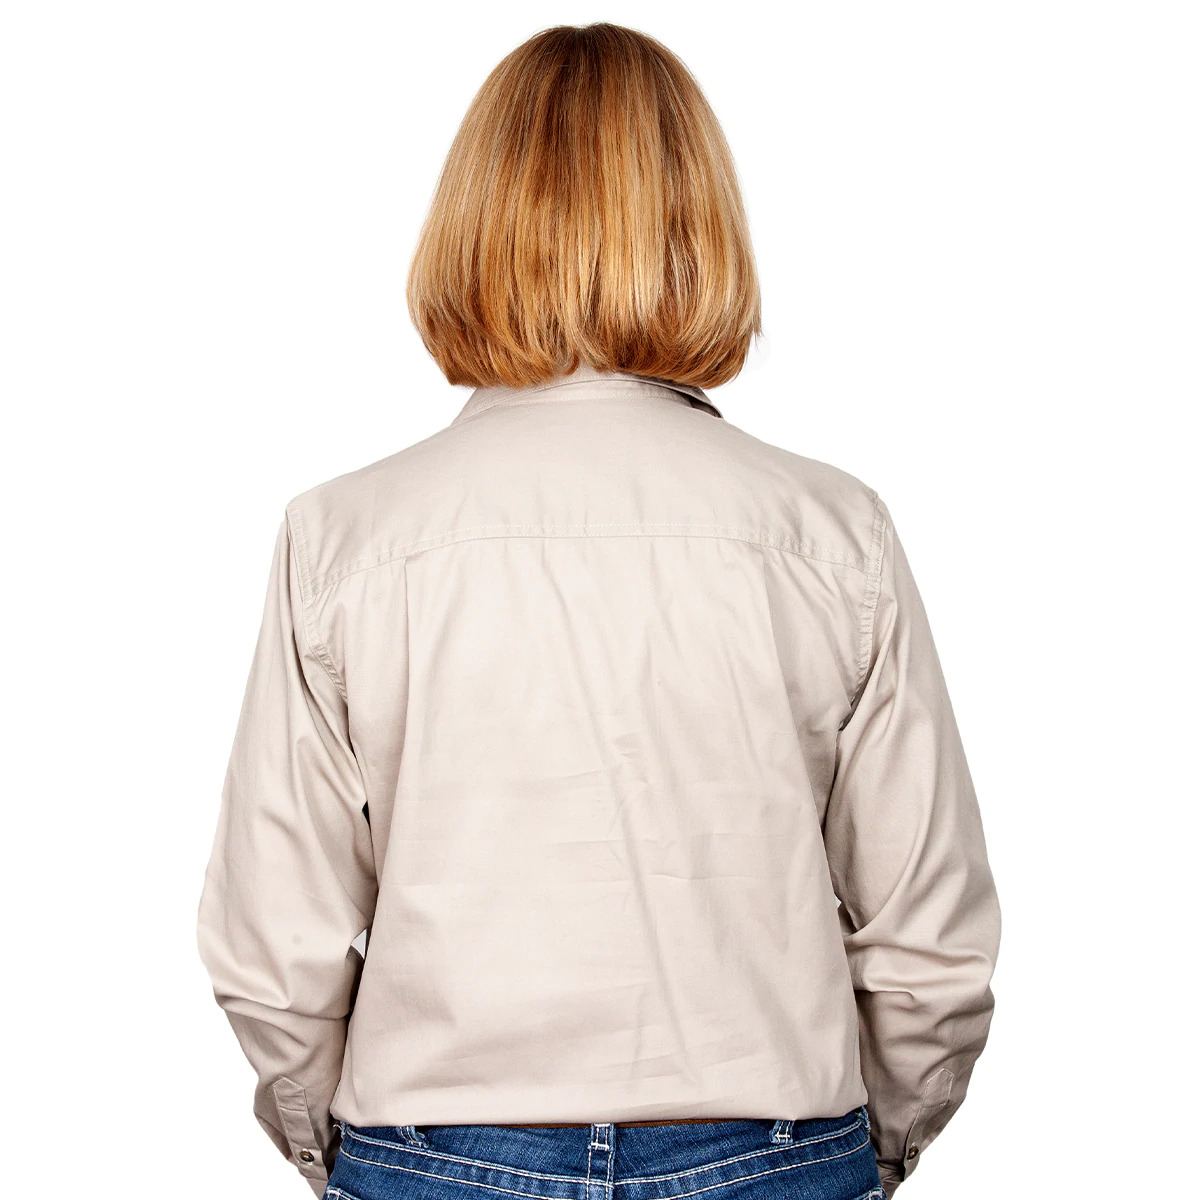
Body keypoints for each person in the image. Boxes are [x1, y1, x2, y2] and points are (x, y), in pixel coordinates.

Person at [195, 21, 1001, 1200]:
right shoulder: (832, 532)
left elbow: (275, 948)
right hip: (770, 1150)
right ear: (700, 225)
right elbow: (931, 943)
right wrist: (867, 1151)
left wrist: (347, 1154)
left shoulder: (347, 538)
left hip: (436, 1155)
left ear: (474, 223)